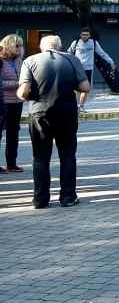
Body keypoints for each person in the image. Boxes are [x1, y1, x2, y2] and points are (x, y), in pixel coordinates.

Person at [17, 35, 88, 208]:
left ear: (42, 47)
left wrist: (24, 95)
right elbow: (85, 87)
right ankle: (68, 197)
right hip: (66, 113)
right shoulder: (72, 60)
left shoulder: (30, 60)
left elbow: (23, 92)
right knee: (68, 155)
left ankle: (40, 199)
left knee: (40, 157)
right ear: (60, 46)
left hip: (40, 113)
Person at [69, 26, 112, 112]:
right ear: (80, 34)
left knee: (86, 88)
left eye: (86, 35)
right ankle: (74, 105)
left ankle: (81, 106)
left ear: (89, 36)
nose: (84, 36)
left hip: (88, 69)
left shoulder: (94, 43)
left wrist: (111, 62)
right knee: (75, 88)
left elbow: (102, 53)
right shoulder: (76, 42)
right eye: (83, 34)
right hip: (77, 68)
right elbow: (69, 53)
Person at [0, 33, 26, 173]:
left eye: (21, 45)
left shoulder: (19, 60)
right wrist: (17, 83)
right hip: (3, 102)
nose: (20, 48)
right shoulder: (0, 60)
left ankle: (12, 163)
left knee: (13, 132)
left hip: (17, 101)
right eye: (18, 45)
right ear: (9, 45)